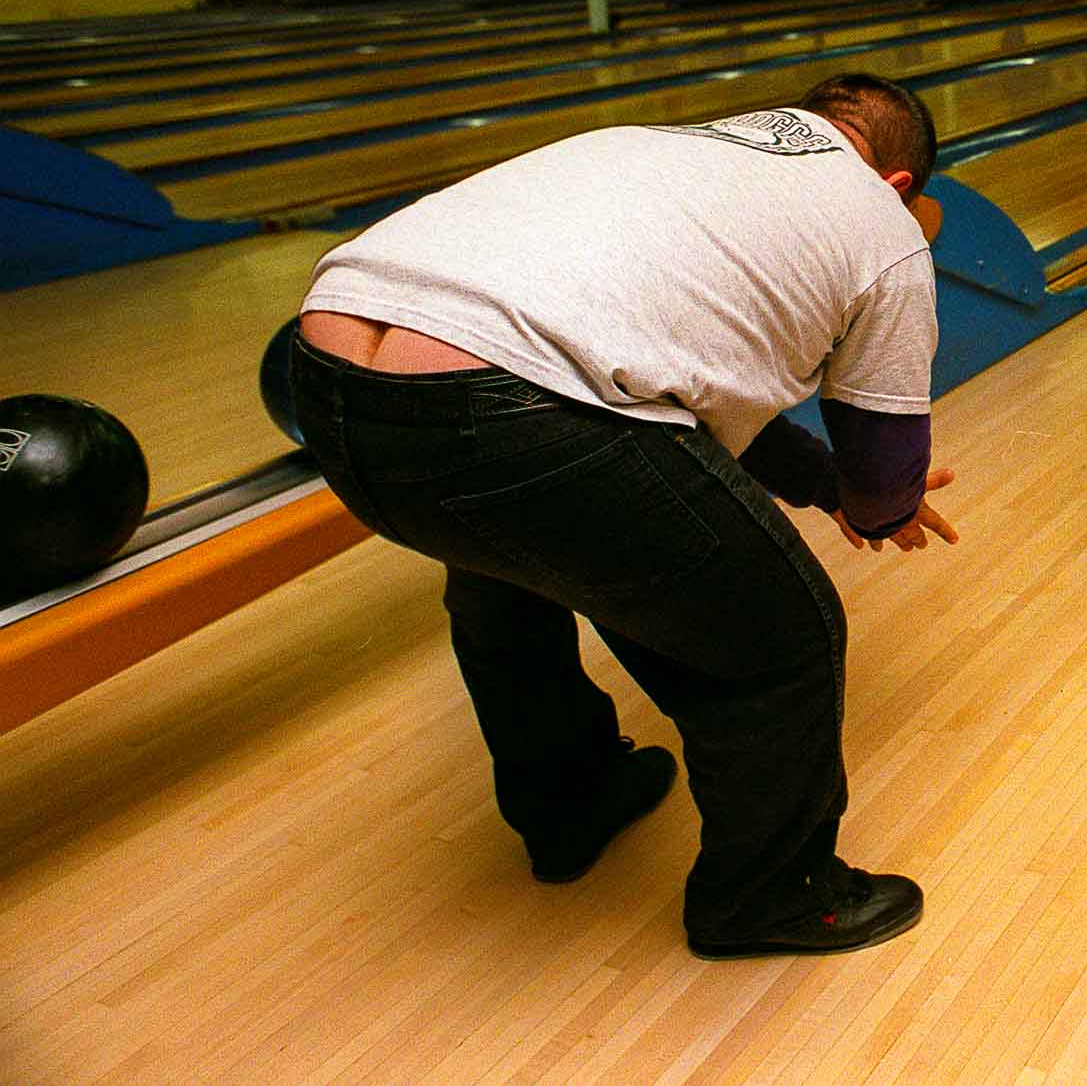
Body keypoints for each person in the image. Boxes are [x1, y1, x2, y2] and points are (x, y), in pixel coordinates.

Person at [289, 72, 957, 961]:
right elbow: (882, 481)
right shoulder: (882, 229)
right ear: (901, 185)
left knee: (507, 569)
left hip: (327, 372)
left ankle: (573, 803)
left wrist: (823, 483)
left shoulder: (662, 147)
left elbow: (679, 378)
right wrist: (877, 505)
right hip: (511, 407)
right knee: (782, 640)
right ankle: (770, 896)